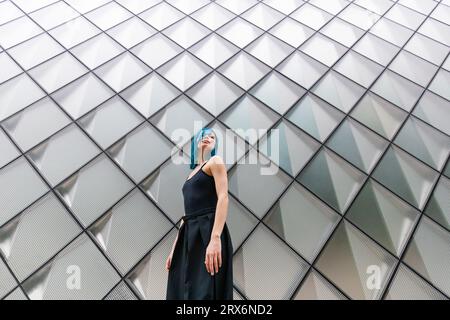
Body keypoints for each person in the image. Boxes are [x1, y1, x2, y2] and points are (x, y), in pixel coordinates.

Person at [165, 127, 233, 300]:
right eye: (204, 135)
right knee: (182, 291)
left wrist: (215, 237)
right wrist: (174, 249)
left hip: (208, 231)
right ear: (196, 141)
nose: (208, 138)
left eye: (212, 137)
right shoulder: (190, 174)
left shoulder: (215, 162)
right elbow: (185, 215)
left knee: (206, 290)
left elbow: (223, 197)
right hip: (188, 235)